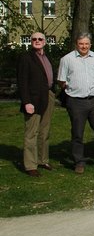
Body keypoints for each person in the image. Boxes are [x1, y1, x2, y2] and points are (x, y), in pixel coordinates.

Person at [57, 33, 94, 175]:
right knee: (77, 133)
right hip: (75, 101)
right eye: (81, 44)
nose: (84, 46)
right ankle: (79, 162)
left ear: (90, 44)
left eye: (86, 44)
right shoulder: (67, 59)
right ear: (76, 44)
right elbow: (62, 81)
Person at [17, 32, 55, 177]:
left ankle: (42, 159)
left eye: (40, 39)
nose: (37, 41)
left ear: (45, 42)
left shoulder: (46, 57)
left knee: (45, 131)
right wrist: (26, 102)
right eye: (34, 39)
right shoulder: (26, 58)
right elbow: (22, 81)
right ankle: (30, 165)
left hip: (48, 96)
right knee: (31, 132)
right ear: (31, 41)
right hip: (33, 99)